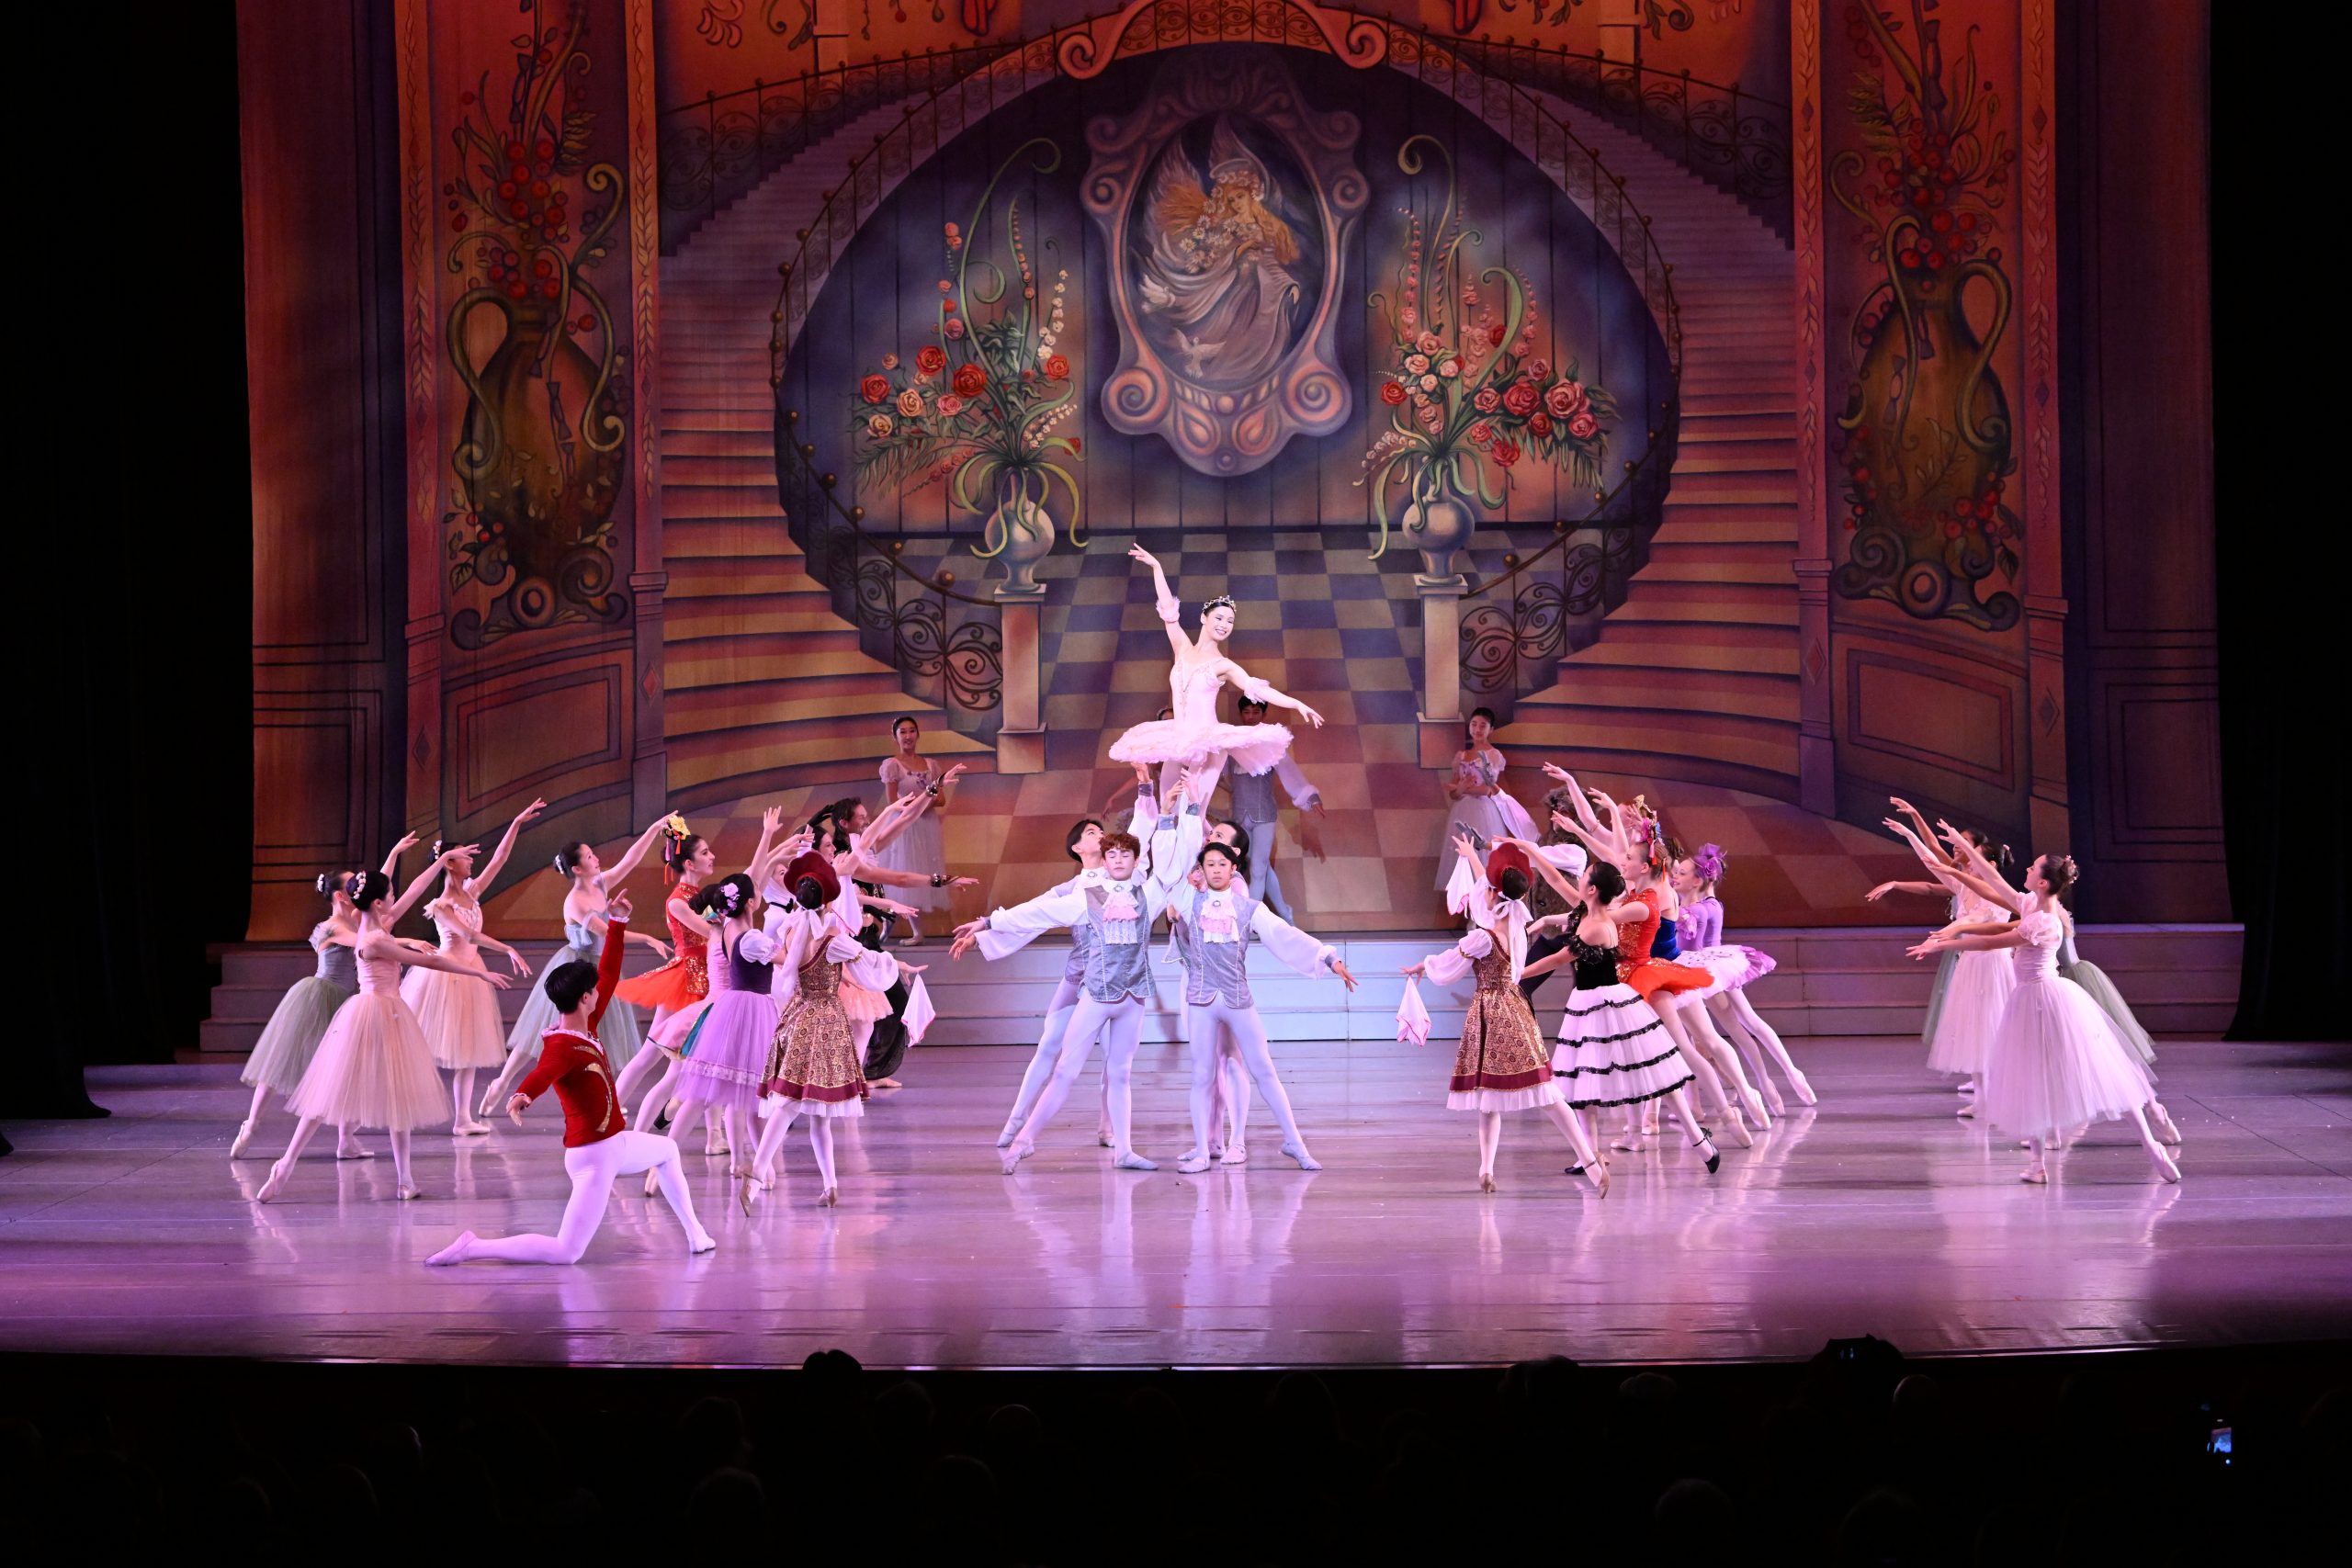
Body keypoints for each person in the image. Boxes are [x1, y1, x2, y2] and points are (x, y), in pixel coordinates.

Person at [425, 896, 718, 1264]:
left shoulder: (586, 1025)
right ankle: (474, 1247)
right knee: (566, 1251)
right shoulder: (562, 1044)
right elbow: (544, 1071)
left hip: (614, 1145)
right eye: (595, 991)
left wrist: (617, 922)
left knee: (667, 1151)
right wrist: (523, 1094)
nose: (602, 992)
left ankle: (696, 1235)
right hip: (594, 1156)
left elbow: (607, 972)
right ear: (584, 998)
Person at [954, 773, 1206, 1172]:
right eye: (1112, 855)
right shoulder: (1086, 896)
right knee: (1065, 1069)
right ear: (1103, 861)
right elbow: (1038, 912)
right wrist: (988, 923)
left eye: (1125, 855)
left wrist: (1185, 809)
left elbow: (1178, 858)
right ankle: (1024, 1138)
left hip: (1133, 997)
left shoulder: (1150, 893)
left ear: (1136, 861)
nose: (1118, 859)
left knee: (1120, 1073)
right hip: (1096, 994)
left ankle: (1124, 1150)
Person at [256, 847, 515, 1203]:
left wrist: (434, 860)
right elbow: (432, 963)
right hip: (376, 1014)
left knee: (393, 1095)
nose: (396, 898)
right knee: (340, 1092)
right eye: (390, 894)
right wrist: (477, 973)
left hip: (383, 1012)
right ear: (378, 903)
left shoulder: (369, 922)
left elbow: (413, 890)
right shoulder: (376, 939)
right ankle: (286, 1165)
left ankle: (403, 1178)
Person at [1907, 852, 2182, 1185]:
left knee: (2090, 1071)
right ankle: (2037, 1165)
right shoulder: (2031, 905)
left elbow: (1993, 940)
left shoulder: (2045, 921)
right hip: (2029, 999)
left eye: (2032, 867)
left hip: (2046, 1000)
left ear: (2042, 881)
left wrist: (1942, 944)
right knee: (2030, 1076)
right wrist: (1963, 849)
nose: (2026, 868)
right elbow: (1994, 882)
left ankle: (2151, 1144)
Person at [1404, 840, 1609, 1193]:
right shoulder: (1515, 922)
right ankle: (1488, 1169)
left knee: (1535, 1091)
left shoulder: (1484, 938)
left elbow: (1450, 963)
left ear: (1492, 894)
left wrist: (1424, 965)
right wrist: (1473, 857)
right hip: (1514, 1006)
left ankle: (1588, 1163)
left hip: (1491, 1011)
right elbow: (1492, 892)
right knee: (1512, 1093)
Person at [1162, 836, 1357, 1173]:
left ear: (1234, 869)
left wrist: (1328, 957)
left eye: (1222, 864)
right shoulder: (1188, 902)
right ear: (1201, 870)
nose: (1216, 869)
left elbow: (1285, 935)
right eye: (1209, 864)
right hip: (1200, 1001)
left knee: (1264, 1069)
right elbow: (1168, 881)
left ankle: (1294, 1142)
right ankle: (1202, 1151)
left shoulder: (1249, 908)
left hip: (1237, 999)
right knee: (1202, 1076)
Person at [1521, 860, 1722, 1179]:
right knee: (1582, 1080)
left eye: (1584, 876)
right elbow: (1559, 887)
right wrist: (1531, 855)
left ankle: (1699, 1141)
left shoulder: (1598, 925)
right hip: (1587, 1004)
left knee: (1653, 1072)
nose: (1578, 879)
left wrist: (1517, 974)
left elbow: (1559, 958)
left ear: (1592, 889)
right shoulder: (1586, 914)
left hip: (1610, 1005)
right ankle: (1589, 1154)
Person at [231, 835, 420, 1161]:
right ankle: (252, 1123)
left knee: (350, 1070)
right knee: (281, 1061)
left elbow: (376, 888)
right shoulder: (329, 927)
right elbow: (366, 942)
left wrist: (393, 854)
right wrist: (407, 942)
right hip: (319, 999)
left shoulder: (360, 919)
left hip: (349, 1001)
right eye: (351, 884)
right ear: (340, 896)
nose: (357, 886)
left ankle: (346, 1140)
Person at [481, 817, 676, 1114]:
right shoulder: (575, 901)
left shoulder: (600, 883)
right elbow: (607, 932)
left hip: (599, 966)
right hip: (575, 967)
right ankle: (502, 1082)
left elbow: (630, 860)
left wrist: (653, 828)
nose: (596, 858)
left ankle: (605, 1094)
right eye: (589, 856)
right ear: (576, 869)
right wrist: (647, 938)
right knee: (541, 1027)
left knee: (602, 1030)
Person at [1108, 545, 1325, 807]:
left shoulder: (1224, 665)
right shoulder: (1182, 649)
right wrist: (1157, 568)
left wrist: (1296, 703)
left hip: (1208, 742)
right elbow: (1168, 612)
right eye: (1220, 618)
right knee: (1167, 807)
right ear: (1204, 618)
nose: (1224, 625)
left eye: (1230, 621)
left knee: (1193, 811)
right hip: (1177, 738)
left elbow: (1257, 688)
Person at [401, 802, 544, 1134]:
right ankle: (400, 1104)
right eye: (465, 856)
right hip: (445, 974)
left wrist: (516, 821)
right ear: (450, 863)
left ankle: (462, 1119)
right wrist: (507, 947)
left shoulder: (472, 891)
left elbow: (500, 859)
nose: (471, 861)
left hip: (471, 973)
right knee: (416, 1048)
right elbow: (469, 934)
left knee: (467, 1050)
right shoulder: (441, 905)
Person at [1671, 843, 1815, 1111]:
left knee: (1747, 1022)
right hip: (1703, 969)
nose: (1674, 877)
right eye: (1675, 872)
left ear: (1697, 880)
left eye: (1681, 873)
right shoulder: (1696, 904)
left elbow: (1694, 926)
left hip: (1711, 968)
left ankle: (1786, 1075)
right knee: (1738, 1028)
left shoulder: (1703, 908)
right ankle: (1766, 1082)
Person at [1214, 699, 1325, 921]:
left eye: (1256, 712)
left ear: (1263, 714)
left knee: (1258, 869)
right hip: (1240, 816)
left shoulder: (1271, 743)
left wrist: (1310, 797)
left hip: (1264, 815)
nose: (1251, 716)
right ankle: (1284, 912)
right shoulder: (1233, 743)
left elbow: (1289, 772)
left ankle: (1250, 922)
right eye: (1246, 712)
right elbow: (1218, 772)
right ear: (1241, 714)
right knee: (1260, 868)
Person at [869, 716, 958, 943]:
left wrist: (920, 806)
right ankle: (892, 921)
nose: (908, 736)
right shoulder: (892, 765)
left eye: (911, 731)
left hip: (926, 825)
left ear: (918, 734)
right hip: (903, 825)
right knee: (902, 869)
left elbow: (940, 799)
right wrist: (920, 805)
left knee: (922, 869)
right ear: (895, 737)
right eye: (902, 732)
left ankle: (917, 931)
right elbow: (893, 803)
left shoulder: (930, 765)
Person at [1433, 707, 1539, 889]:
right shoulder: (1461, 755)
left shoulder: (1493, 755)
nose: (1477, 729)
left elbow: (1488, 789)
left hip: (1483, 810)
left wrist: (1464, 789)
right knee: (1463, 853)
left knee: (1482, 851)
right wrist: (1459, 789)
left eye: (1483, 725)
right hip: (1462, 810)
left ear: (1491, 730)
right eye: (1474, 724)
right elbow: (1454, 793)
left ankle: (1484, 896)